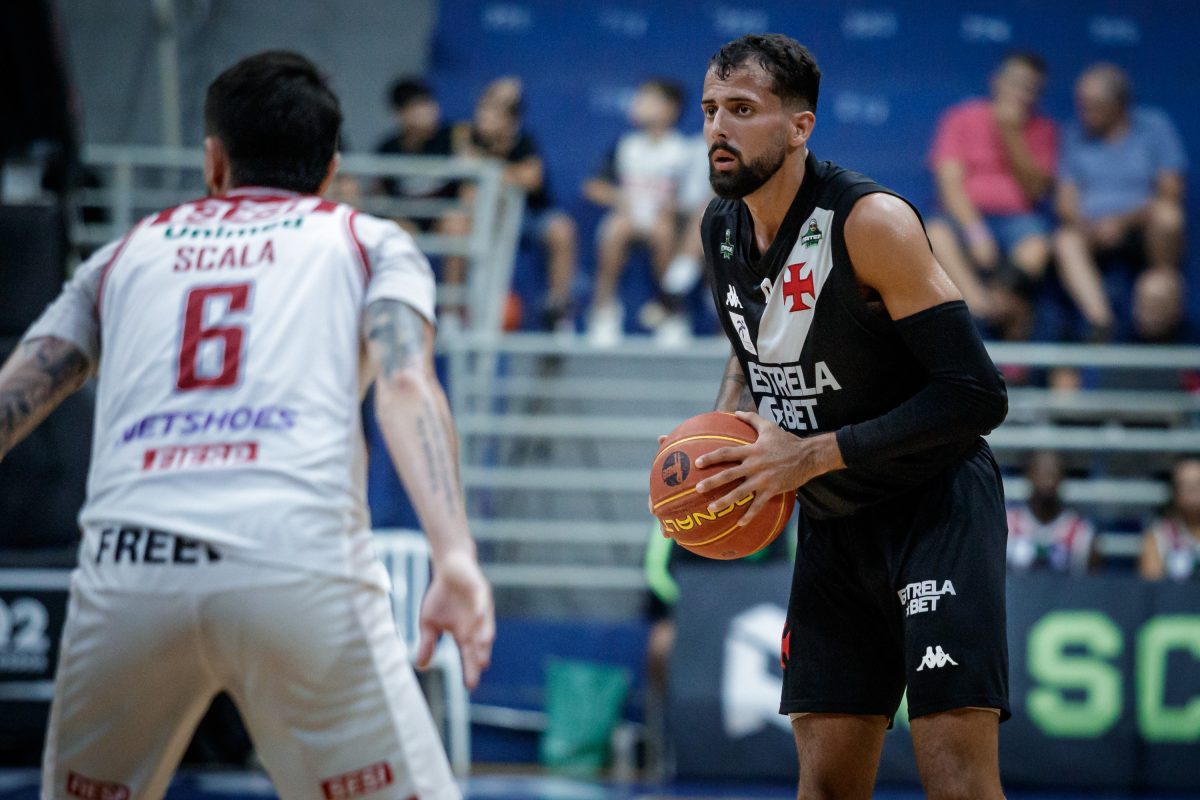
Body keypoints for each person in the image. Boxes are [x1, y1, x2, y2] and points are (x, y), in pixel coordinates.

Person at [0, 51, 494, 799]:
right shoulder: (368, 241)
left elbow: (18, 395)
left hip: (130, 572)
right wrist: (453, 554)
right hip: (293, 562)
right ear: (330, 171)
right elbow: (405, 384)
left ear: (214, 161)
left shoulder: (122, 256)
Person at [688, 34, 1009, 798]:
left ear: (800, 126)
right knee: (827, 786)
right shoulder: (720, 228)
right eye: (709, 109)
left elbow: (976, 394)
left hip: (934, 510)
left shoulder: (870, 222)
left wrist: (810, 455)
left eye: (742, 110)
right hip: (834, 523)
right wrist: (723, 432)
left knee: (957, 783)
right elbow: (752, 344)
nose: (718, 128)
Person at [925, 52, 1057, 341]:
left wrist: (1011, 133)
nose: (1022, 94)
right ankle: (980, 313)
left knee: (1037, 247)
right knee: (935, 234)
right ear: (997, 82)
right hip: (963, 218)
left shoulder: (1044, 129)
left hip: (1018, 221)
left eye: (1032, 88)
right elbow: (949, 184)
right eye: (1017, 84)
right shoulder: (961, 117)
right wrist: (976, 231)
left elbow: (1036, 190)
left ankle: (998, 302)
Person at [1054, 63, 1189, 342]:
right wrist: (1089, 226)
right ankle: (1100, 322)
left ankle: (1161, 283)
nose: (1083, 112)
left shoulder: (1154, 126)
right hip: (1092, 229)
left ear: (1118, 104)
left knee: (1169, 216)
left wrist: (1123, 222)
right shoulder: (1074, 133)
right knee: (1066, 240)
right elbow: (1065, 200)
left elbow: (1171, 190)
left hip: (1143, 224)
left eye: (1092, 105)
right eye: (1081, 104)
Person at [450, 76, 577, 332]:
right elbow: (467, 193)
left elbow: (532, 178)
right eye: (482, 111)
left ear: (510, 121)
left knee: (562, 229)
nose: (484, 118)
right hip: (485, 218)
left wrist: (491, 173)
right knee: (454, 225)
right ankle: (453, 312)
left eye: (493, 113)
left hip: (530, 217)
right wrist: (506, 176)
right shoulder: (465, 138)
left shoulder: (524, 142)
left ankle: (558, 313)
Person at [584, 79, 697, 346]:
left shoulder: (682, 151)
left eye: (647, 99)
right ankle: (604, 311)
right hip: (629, 217)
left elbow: (691, 200)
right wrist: (618, 197)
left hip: (664, 222)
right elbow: (593, 186)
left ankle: (672, 313)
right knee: (615, 229)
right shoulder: (626, 145)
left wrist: (672, 209)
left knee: (663, 232)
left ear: (670, 109)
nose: (638, 104)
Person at [374, 76, 458, 230]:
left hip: (443, 218)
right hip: (406, 220)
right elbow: (380, 196)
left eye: (429, 103)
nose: (428, 111)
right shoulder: (388, 149)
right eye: (418, 105)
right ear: (400, 113)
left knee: (455, 222)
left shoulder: (454, 138)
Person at [1006, 451, 1097, 576]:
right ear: (1029, 475)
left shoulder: (1081, 533)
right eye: (1041, 472)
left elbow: (1094, 584)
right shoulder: (1007, 526)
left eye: (1053, 473)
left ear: (1063, 478)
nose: (1048, 479)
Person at [1139, 457, 1200, 582]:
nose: (1193, 491)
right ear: (1174, 492)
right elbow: (1152, 588)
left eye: (1198, 484)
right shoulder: (1158, 536)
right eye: (1185, 485)